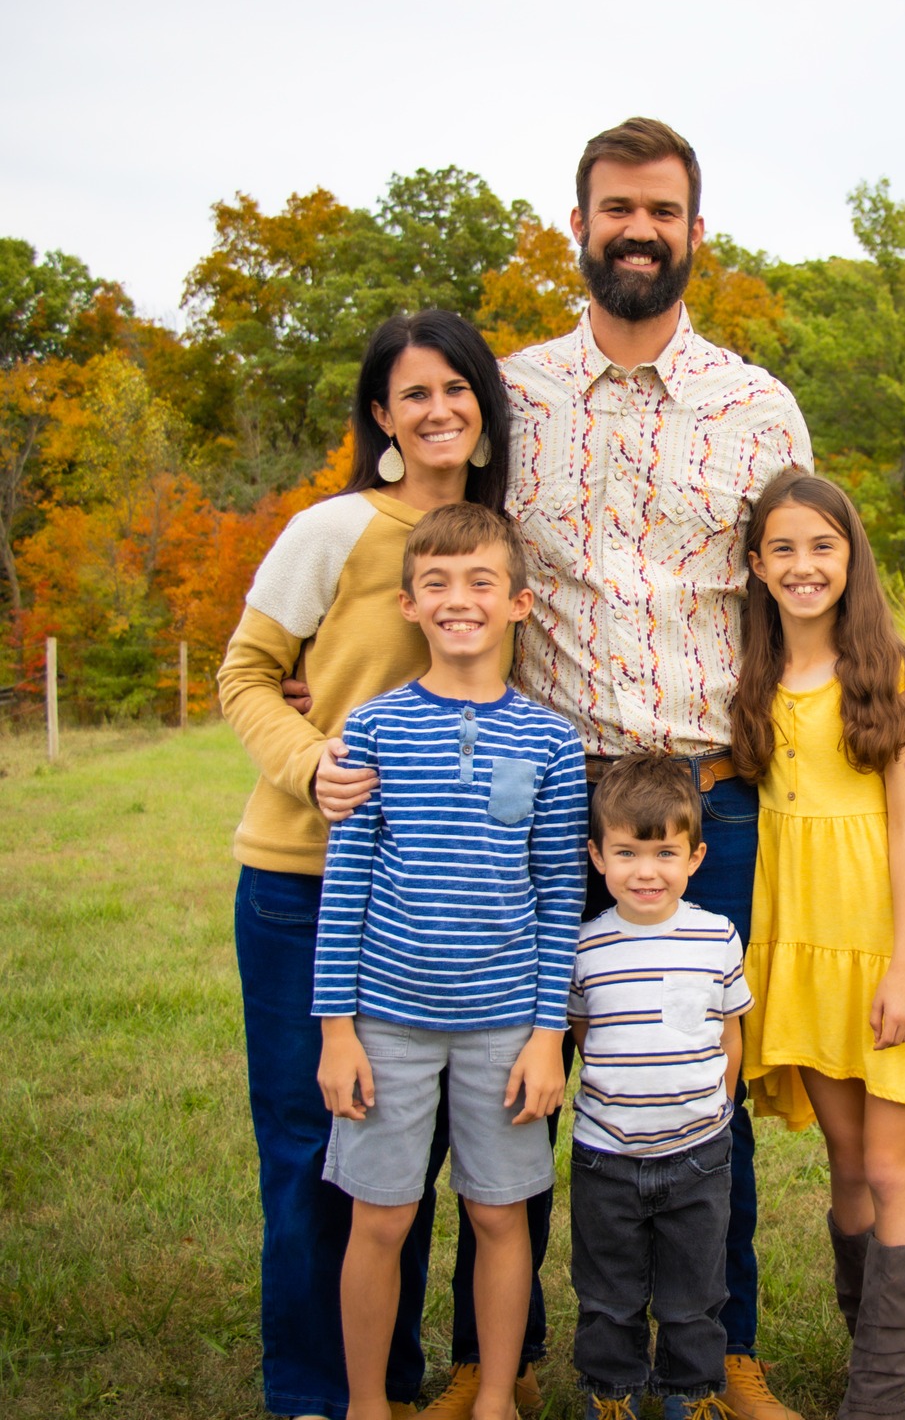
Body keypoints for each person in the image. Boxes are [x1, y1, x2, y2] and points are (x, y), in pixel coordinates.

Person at [313, 117, 905, 1420]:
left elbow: (807, 569)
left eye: (662, 210)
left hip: (712, 797)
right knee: (522, 1076)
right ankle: (510, 1357)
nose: (639, 231)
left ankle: (724, 1353)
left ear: (696, 232)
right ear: (580, 227)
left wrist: (896, 705)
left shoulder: (760, 404)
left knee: (700, 1082)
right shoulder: (518, 399)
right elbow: (448, 554)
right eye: (616, 210)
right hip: (543, 798)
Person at [218, 311, 521, 1420]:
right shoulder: (334, 529)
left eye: (456, 388)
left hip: (441, 900)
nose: (438, 409)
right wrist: (311, 763)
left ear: (484, 405)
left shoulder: (500, 541)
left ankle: (387, 1382)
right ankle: (313, 1393)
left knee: (412, 1150)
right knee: (313, 1142)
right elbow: (247, 671)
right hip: (308, 880)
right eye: (412, 394)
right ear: (381, 417)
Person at [314, 502, 586, 1420]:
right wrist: (337, 1031)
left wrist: (549, 1035)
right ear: (408, 604)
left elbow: (557, 901)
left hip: (507, 1026)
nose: (458, 599)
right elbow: (344, 887)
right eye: (437, 583)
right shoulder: (374, 728)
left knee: (499, 1214)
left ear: (519, 604)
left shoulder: (551, 740)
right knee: (381, 1217)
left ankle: (497, 1395)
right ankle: (364, 1401)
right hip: (386, 1022)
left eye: (480, 583)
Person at [731, 471, 905, 1420]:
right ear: (756, 564)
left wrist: (904, 967)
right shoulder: (751, 677)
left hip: (885, 943)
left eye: (822, 547)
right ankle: (865, 1338)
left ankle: (879, 1398)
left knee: (888, 1164)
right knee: (842, 1156)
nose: (803, 566)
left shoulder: (886, 677)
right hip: (803, 944)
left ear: (851, 558)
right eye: (783, 549)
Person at [567, 755, 750, 1420]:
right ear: (596, 855)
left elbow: (731, 1034)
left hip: (699, 1154)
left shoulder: (717, 937)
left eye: (665, 853)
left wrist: (714, 1108)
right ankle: (611, 1393)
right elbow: (588, 1035)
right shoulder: (585, 948)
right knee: (607, 1290)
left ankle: (689, 1394)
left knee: (695, 1292)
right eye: (626, 853)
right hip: (606, 1156)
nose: (647, 872)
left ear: (696, 856)